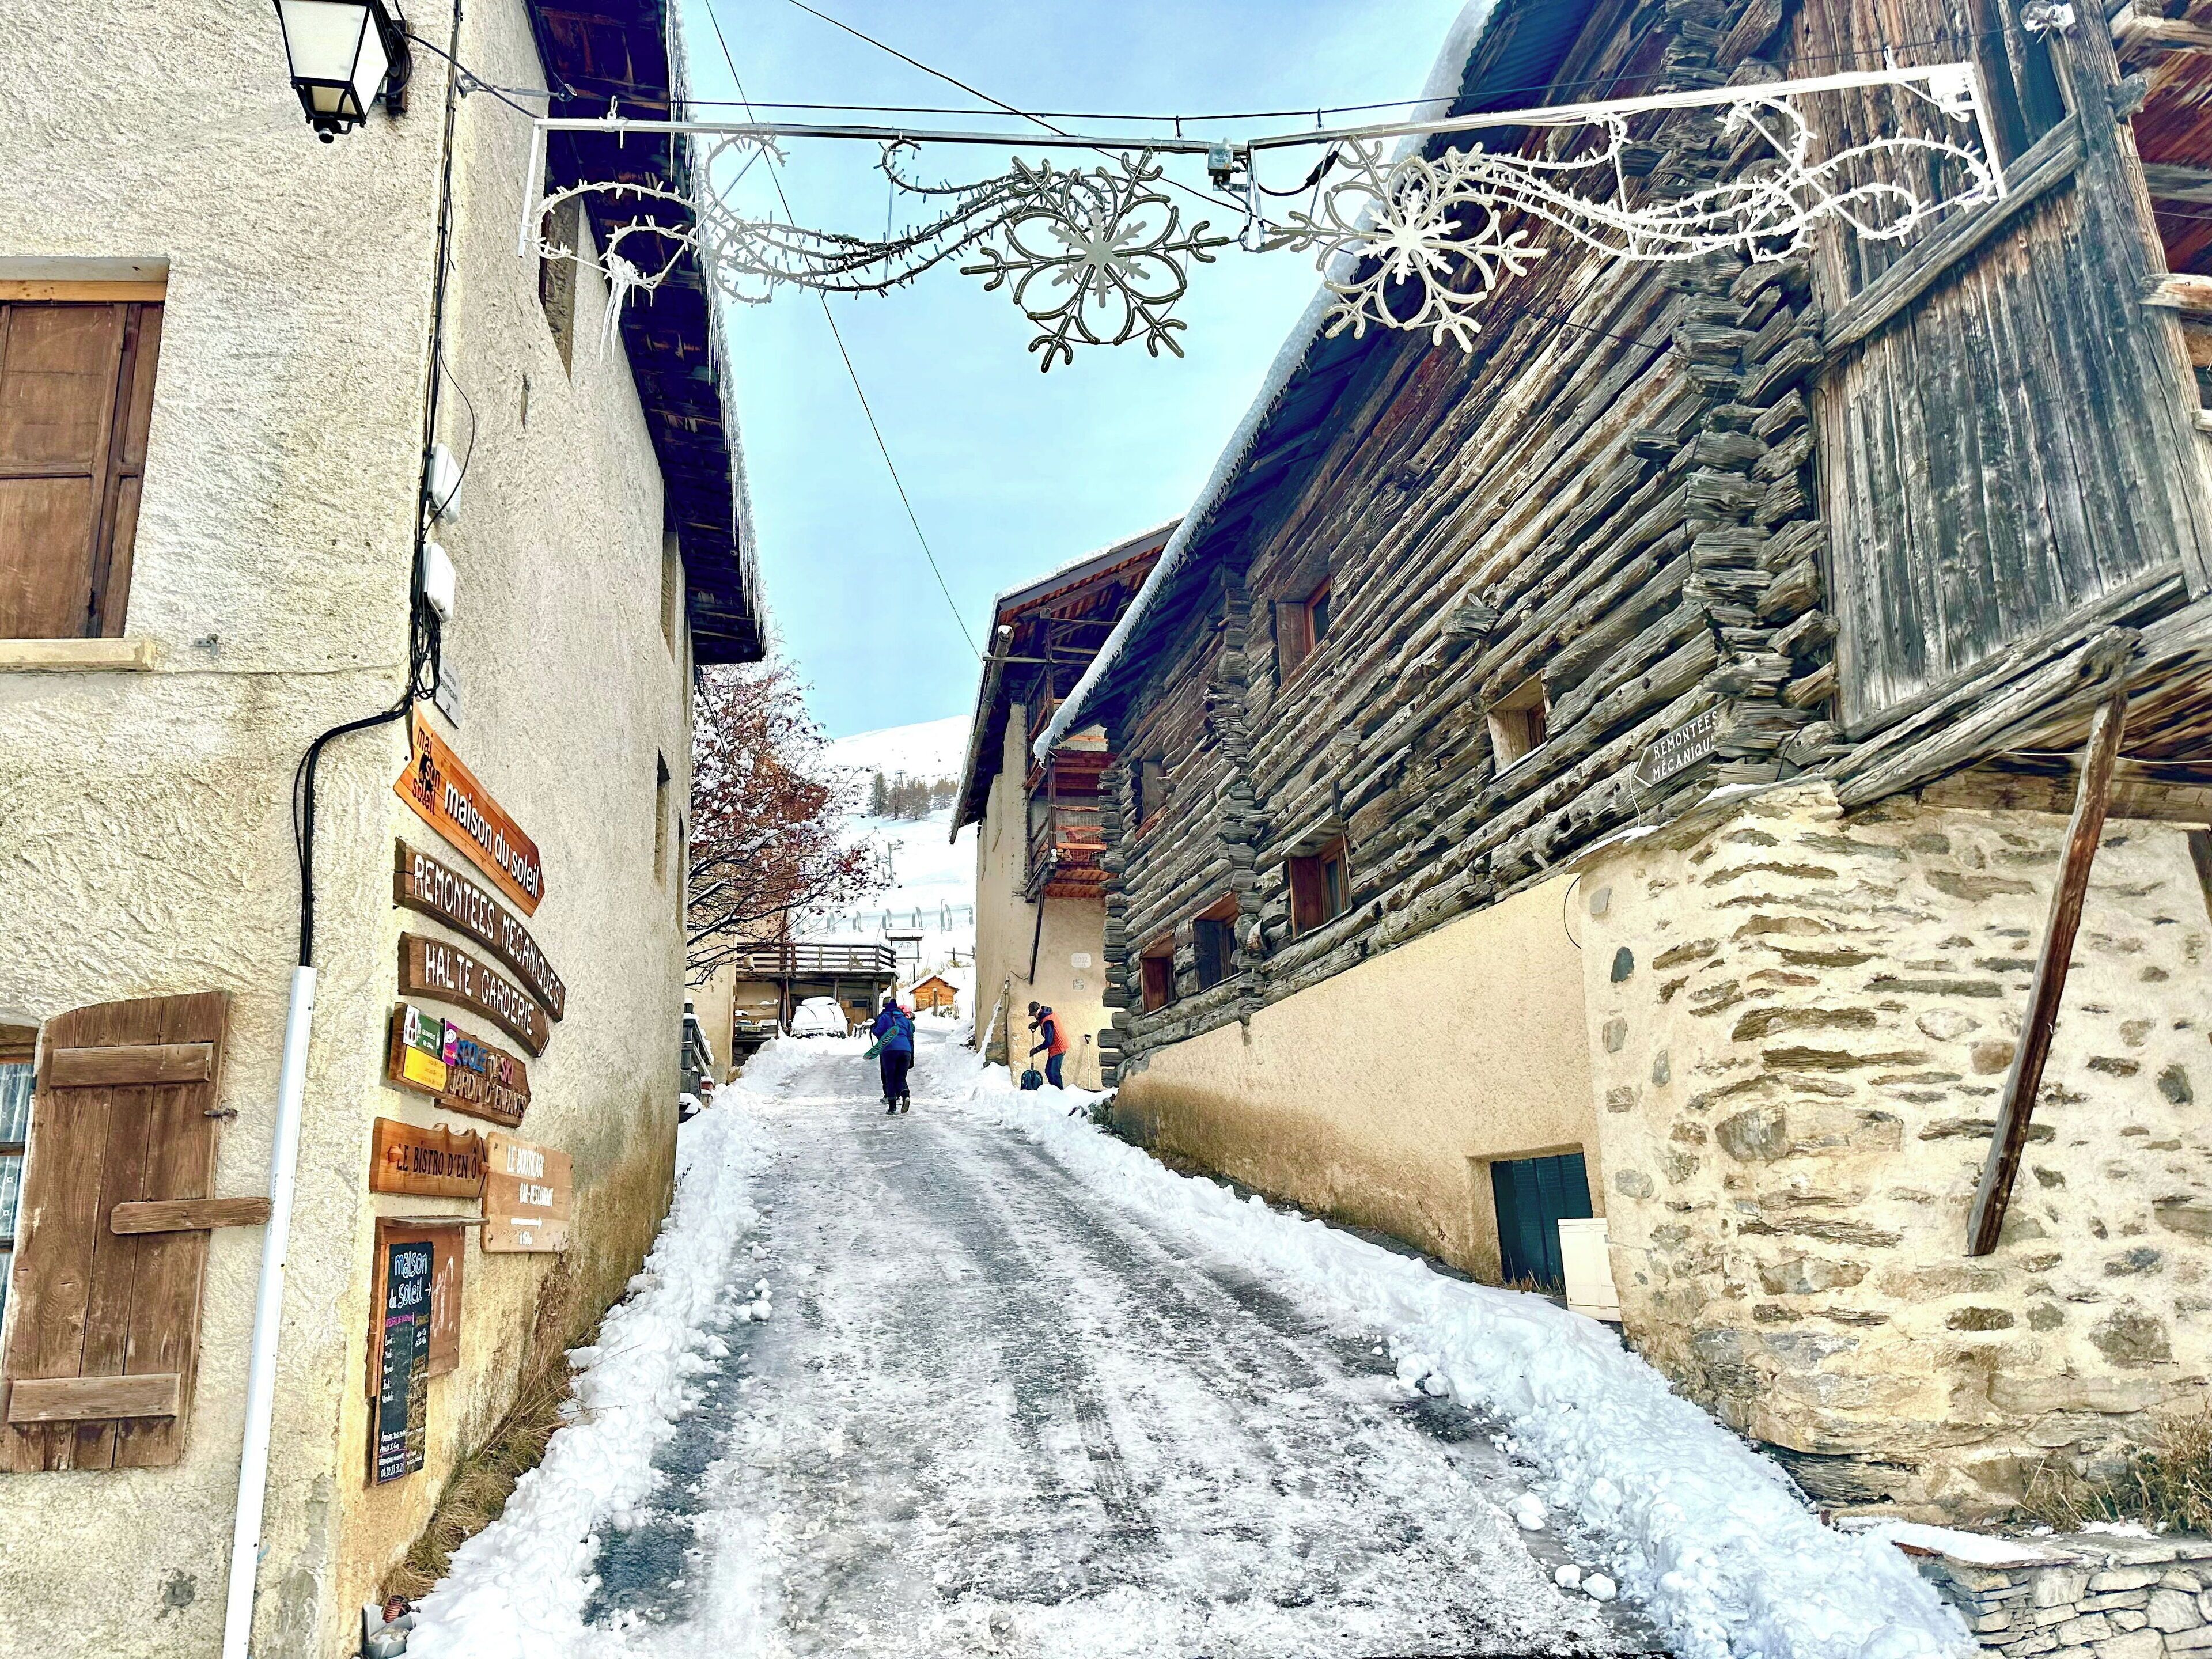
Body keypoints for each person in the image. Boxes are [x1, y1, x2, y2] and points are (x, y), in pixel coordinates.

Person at [872, 995, 915, 1113]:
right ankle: (906, 1096)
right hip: (906, 1050)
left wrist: (873, 1028)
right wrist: (912, 1055)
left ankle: (892, 1107)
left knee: (890, 1078)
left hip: (890, 1050)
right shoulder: (904, 1019)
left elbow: (879, 1032)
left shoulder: (885, 1017)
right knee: (901, 1077)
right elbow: (910, 1034)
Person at [1027, 1001, 1070, 1089]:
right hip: (1054, 1047)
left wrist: (1037, 1049)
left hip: (1058, 1047)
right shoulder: (1045, 1014)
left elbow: (1048, 1042)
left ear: (1039, 1009)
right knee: (1048, 1071)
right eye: (1033, 1014)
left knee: (1054, 1072)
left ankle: (1059, 1093)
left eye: (1035, 1013)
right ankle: (1053, 1091)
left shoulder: (1047, 1021)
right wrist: (1038, 1024)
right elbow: (1042, 1019)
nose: (1034, 1015)